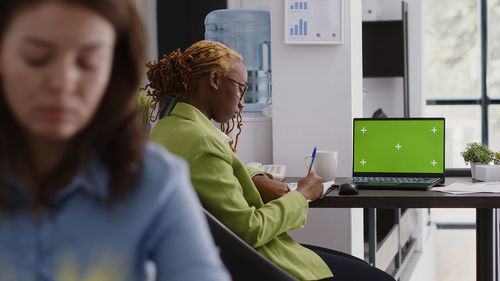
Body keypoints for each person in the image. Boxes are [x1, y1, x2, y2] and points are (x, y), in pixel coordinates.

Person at [0, 1, 230, 281]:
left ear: (113, 72)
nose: (62, 82)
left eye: (89, 63)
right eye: (36, 58)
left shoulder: (157, 181)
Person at [148, 40, 396, 281]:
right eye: (241, 89)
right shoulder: (202, 140)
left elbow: (216, 166)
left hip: (217, 259)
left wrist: (255, 177)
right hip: (252, 264)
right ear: (214, 80)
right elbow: (250, 229)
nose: (242, 103)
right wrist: (302, 195)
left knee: (357, 265)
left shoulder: (166, 128)